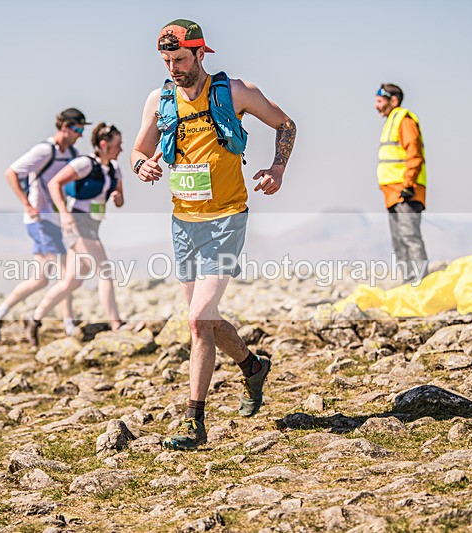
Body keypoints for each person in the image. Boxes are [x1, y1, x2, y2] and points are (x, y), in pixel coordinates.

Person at [131, 19, 296, 450]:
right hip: (183, 224)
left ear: (201, 53)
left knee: (197, 320)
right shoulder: (160, 99)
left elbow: (286, 125)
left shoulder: (234, 92)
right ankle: (252, 366)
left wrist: (278, 168)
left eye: (181, 59)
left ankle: (194, 422)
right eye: (167, 61)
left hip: (226, 220)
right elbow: (138, 150)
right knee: (204, 320)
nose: (174, 68)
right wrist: (141, 165)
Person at [0, 108, 88, 346]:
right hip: (41, 220)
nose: (80, 135)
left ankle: (3, 313)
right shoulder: (45, 150)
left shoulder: (72, 153)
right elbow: (11, 172)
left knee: (54, 277)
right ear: (64, 127)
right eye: (77, 129)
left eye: (82, 130)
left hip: (57, 221)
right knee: (55, 276)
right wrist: (27, 204)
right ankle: (7, 314)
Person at [22, 122, 127, 347]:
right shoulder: (84, 164)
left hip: (93, 225)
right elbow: (54, 183)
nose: (121, 149)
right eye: (118, 144)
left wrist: (117, 198)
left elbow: (120, 200)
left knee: (72, 281)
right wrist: (64, 214)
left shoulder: (114, 169)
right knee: (105, 271)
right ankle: (116, 323)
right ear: (103, 145)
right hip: (77, 224)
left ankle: (34, 319)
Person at [375, 83, 428, 283]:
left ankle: (421, 284)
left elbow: (414, 153)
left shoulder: (404, 120)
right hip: (393, 193)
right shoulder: (391, 122)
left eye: (380, 101)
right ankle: (409, 284)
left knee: (410, 237)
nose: (376, 106)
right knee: (399, 242)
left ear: (394, 100)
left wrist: (408, 184)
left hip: (406, 191)